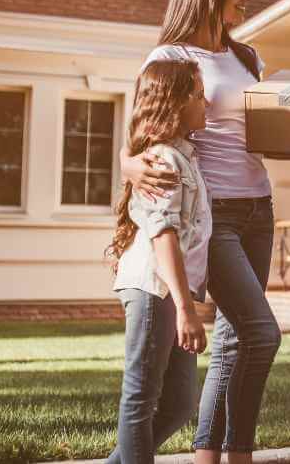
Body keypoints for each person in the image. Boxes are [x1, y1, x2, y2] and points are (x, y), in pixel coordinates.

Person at [121, 0, 290, 463]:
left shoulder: (247, 58)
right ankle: (239, 453)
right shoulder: (168, 59)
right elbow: (141, 136)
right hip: (215, 217)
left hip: (259, 210)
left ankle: (212, 455)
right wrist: (127, 164)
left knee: (234, 340)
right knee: (260, 333)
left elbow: (263, 138)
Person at [105, 58, 210, 464]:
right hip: (153, 287)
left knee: (181, 403)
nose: (207, 104)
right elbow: (162, 233)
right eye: (199, 96)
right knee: (141, 396)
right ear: (176, 104)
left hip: (170, 289)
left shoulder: (184, 155)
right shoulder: (163, 161)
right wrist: (186, 308)